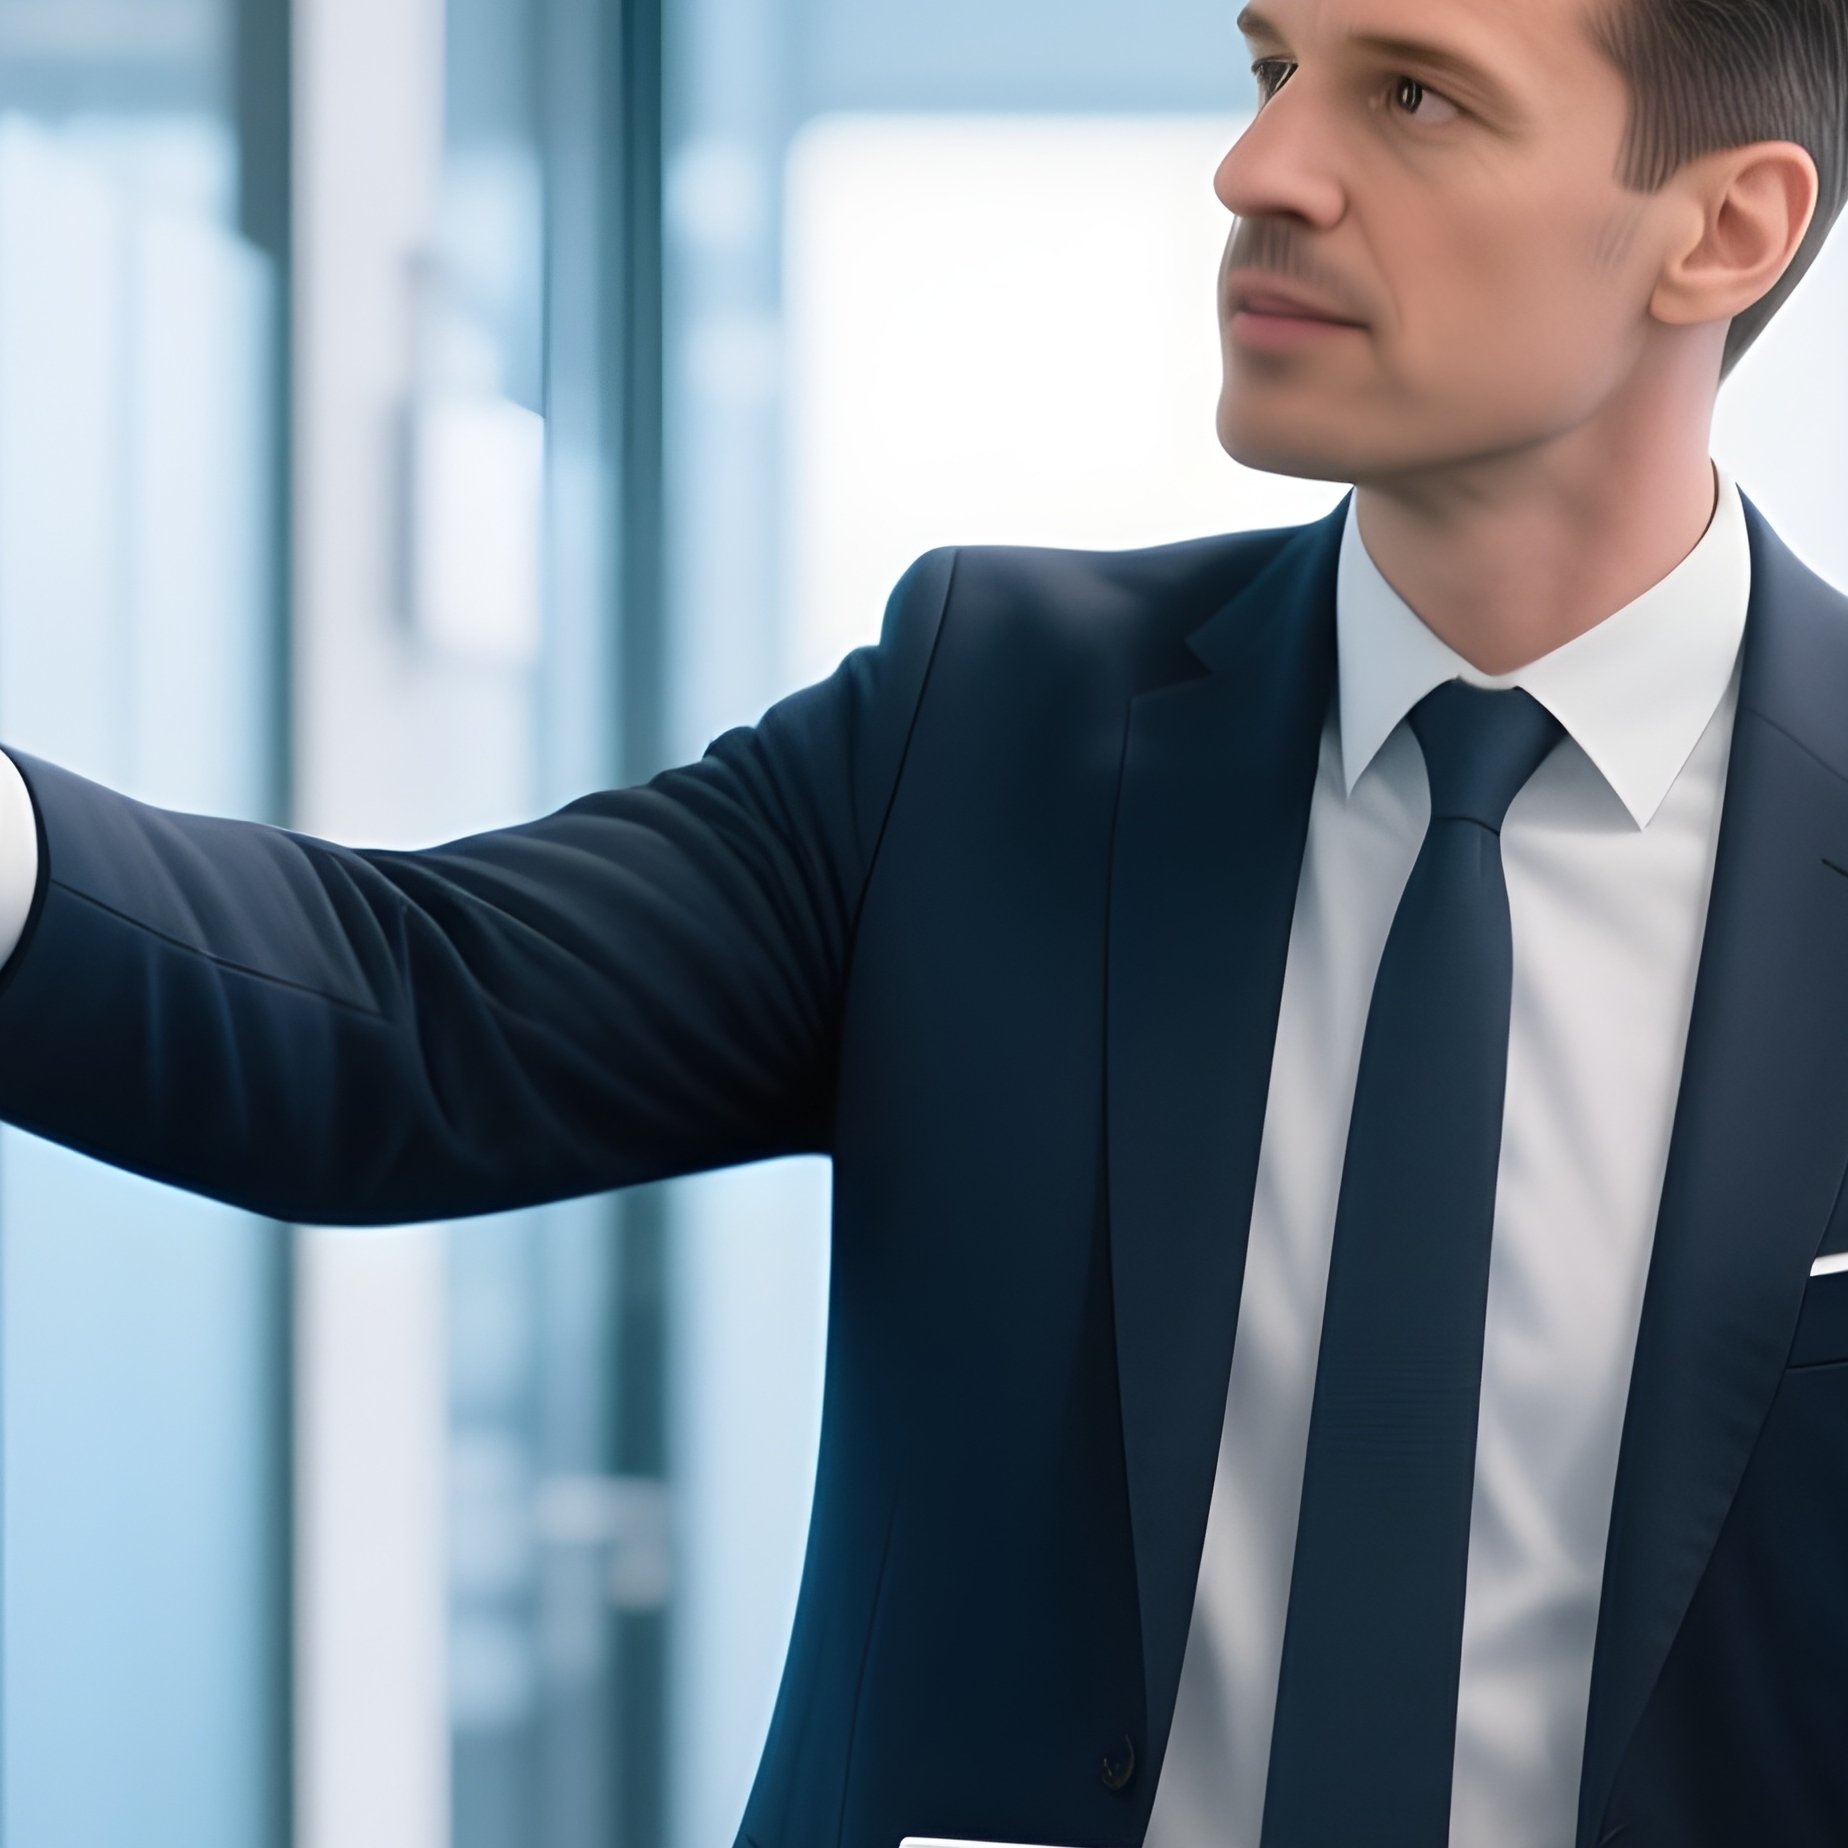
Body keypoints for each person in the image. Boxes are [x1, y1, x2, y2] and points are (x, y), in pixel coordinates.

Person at [0, 0, 1842, 1838]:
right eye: (1274, 70)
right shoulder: (986, 725)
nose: (1260, 168)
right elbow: (398, 1020)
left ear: (1727, 228)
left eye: (1416, 97)